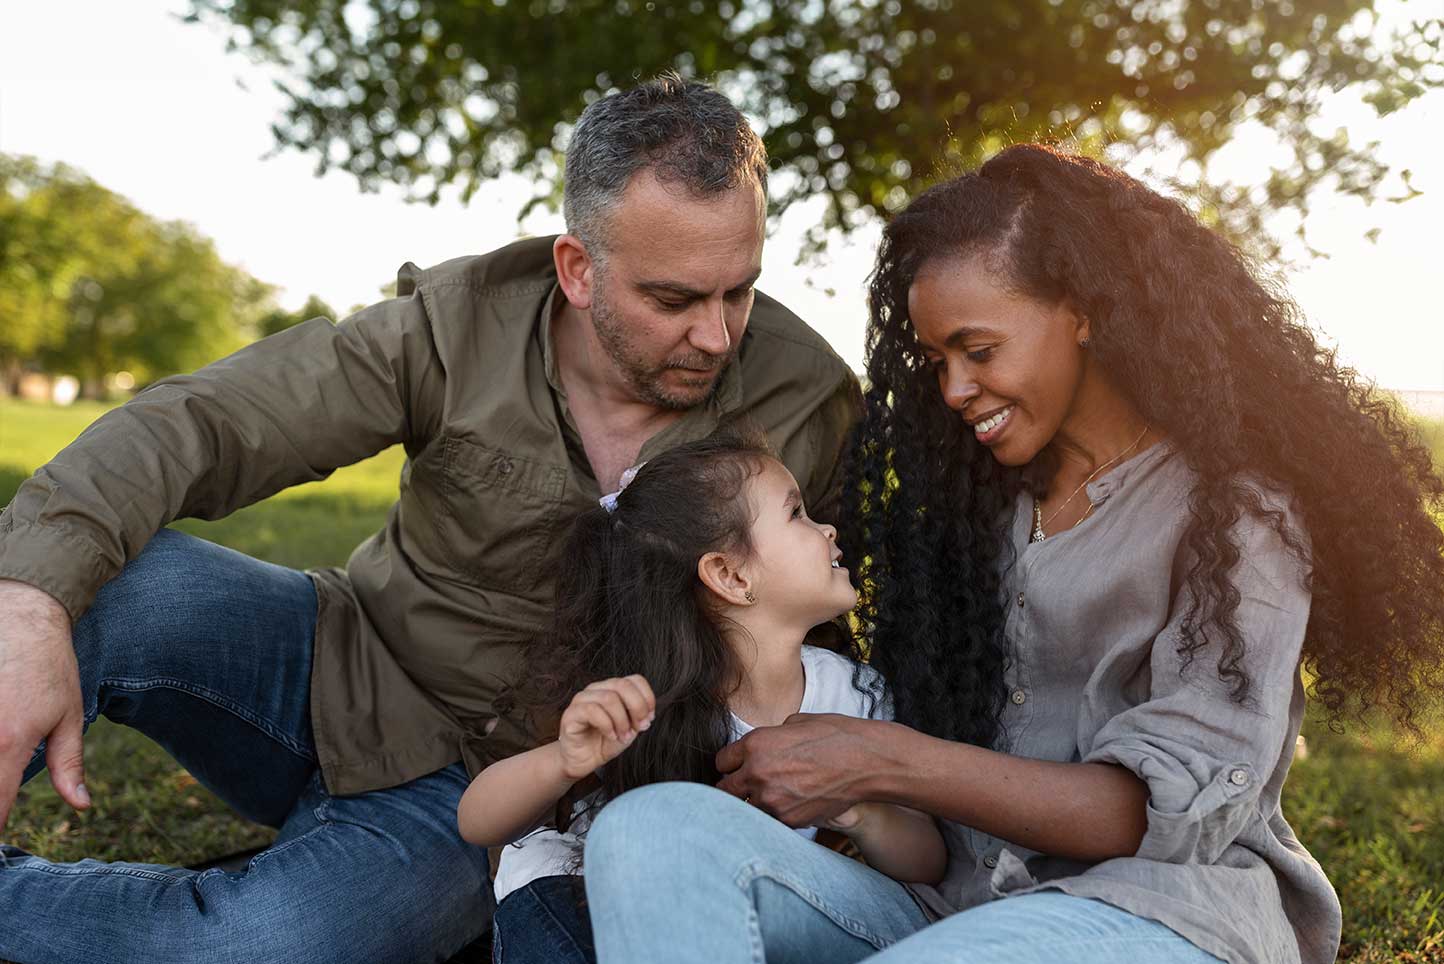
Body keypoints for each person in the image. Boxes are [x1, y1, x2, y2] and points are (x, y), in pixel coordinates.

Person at [0, 75, 860, 964]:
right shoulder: (456, 329)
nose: (718, 336)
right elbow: (210, 422)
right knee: (101, 580)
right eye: (675, 300)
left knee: (258, 943)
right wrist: (27, 599)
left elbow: (857, 613)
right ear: (577, 270)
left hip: (502, 800)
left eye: (741, 291)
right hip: (339, 667)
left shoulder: (807, 399)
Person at [579, 144, 1444, 964]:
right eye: (935, 359)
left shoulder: (1233, 518)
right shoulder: (972, 509)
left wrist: (880, 759)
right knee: (649, 831)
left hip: (1158, 910)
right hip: (947, 906)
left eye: (979, 350)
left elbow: (1154, 812)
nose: (954, 389)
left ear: (1083, 314)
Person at [457, 431, 945, 963]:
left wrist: (859, 808)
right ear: (730, 575)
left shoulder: (850, 695)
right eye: (797, 514)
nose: (827, 528)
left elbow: (927, 861)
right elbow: (477, 822)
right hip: (576, 904)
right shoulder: (647, 697)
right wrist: (563, 760)